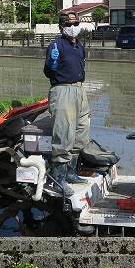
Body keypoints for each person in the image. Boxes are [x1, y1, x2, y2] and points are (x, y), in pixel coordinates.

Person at [43, 12, 89, 196]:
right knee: (64, 133)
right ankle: (58, 178)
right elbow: (48, 71)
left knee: (81, 131)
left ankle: (70, 172)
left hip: (79, 90)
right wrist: (51, 63)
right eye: (69, 24)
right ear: (61, 27)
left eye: (76, 23)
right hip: (62, 90)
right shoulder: (56, 45)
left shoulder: (79, 45)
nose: (73, 26)